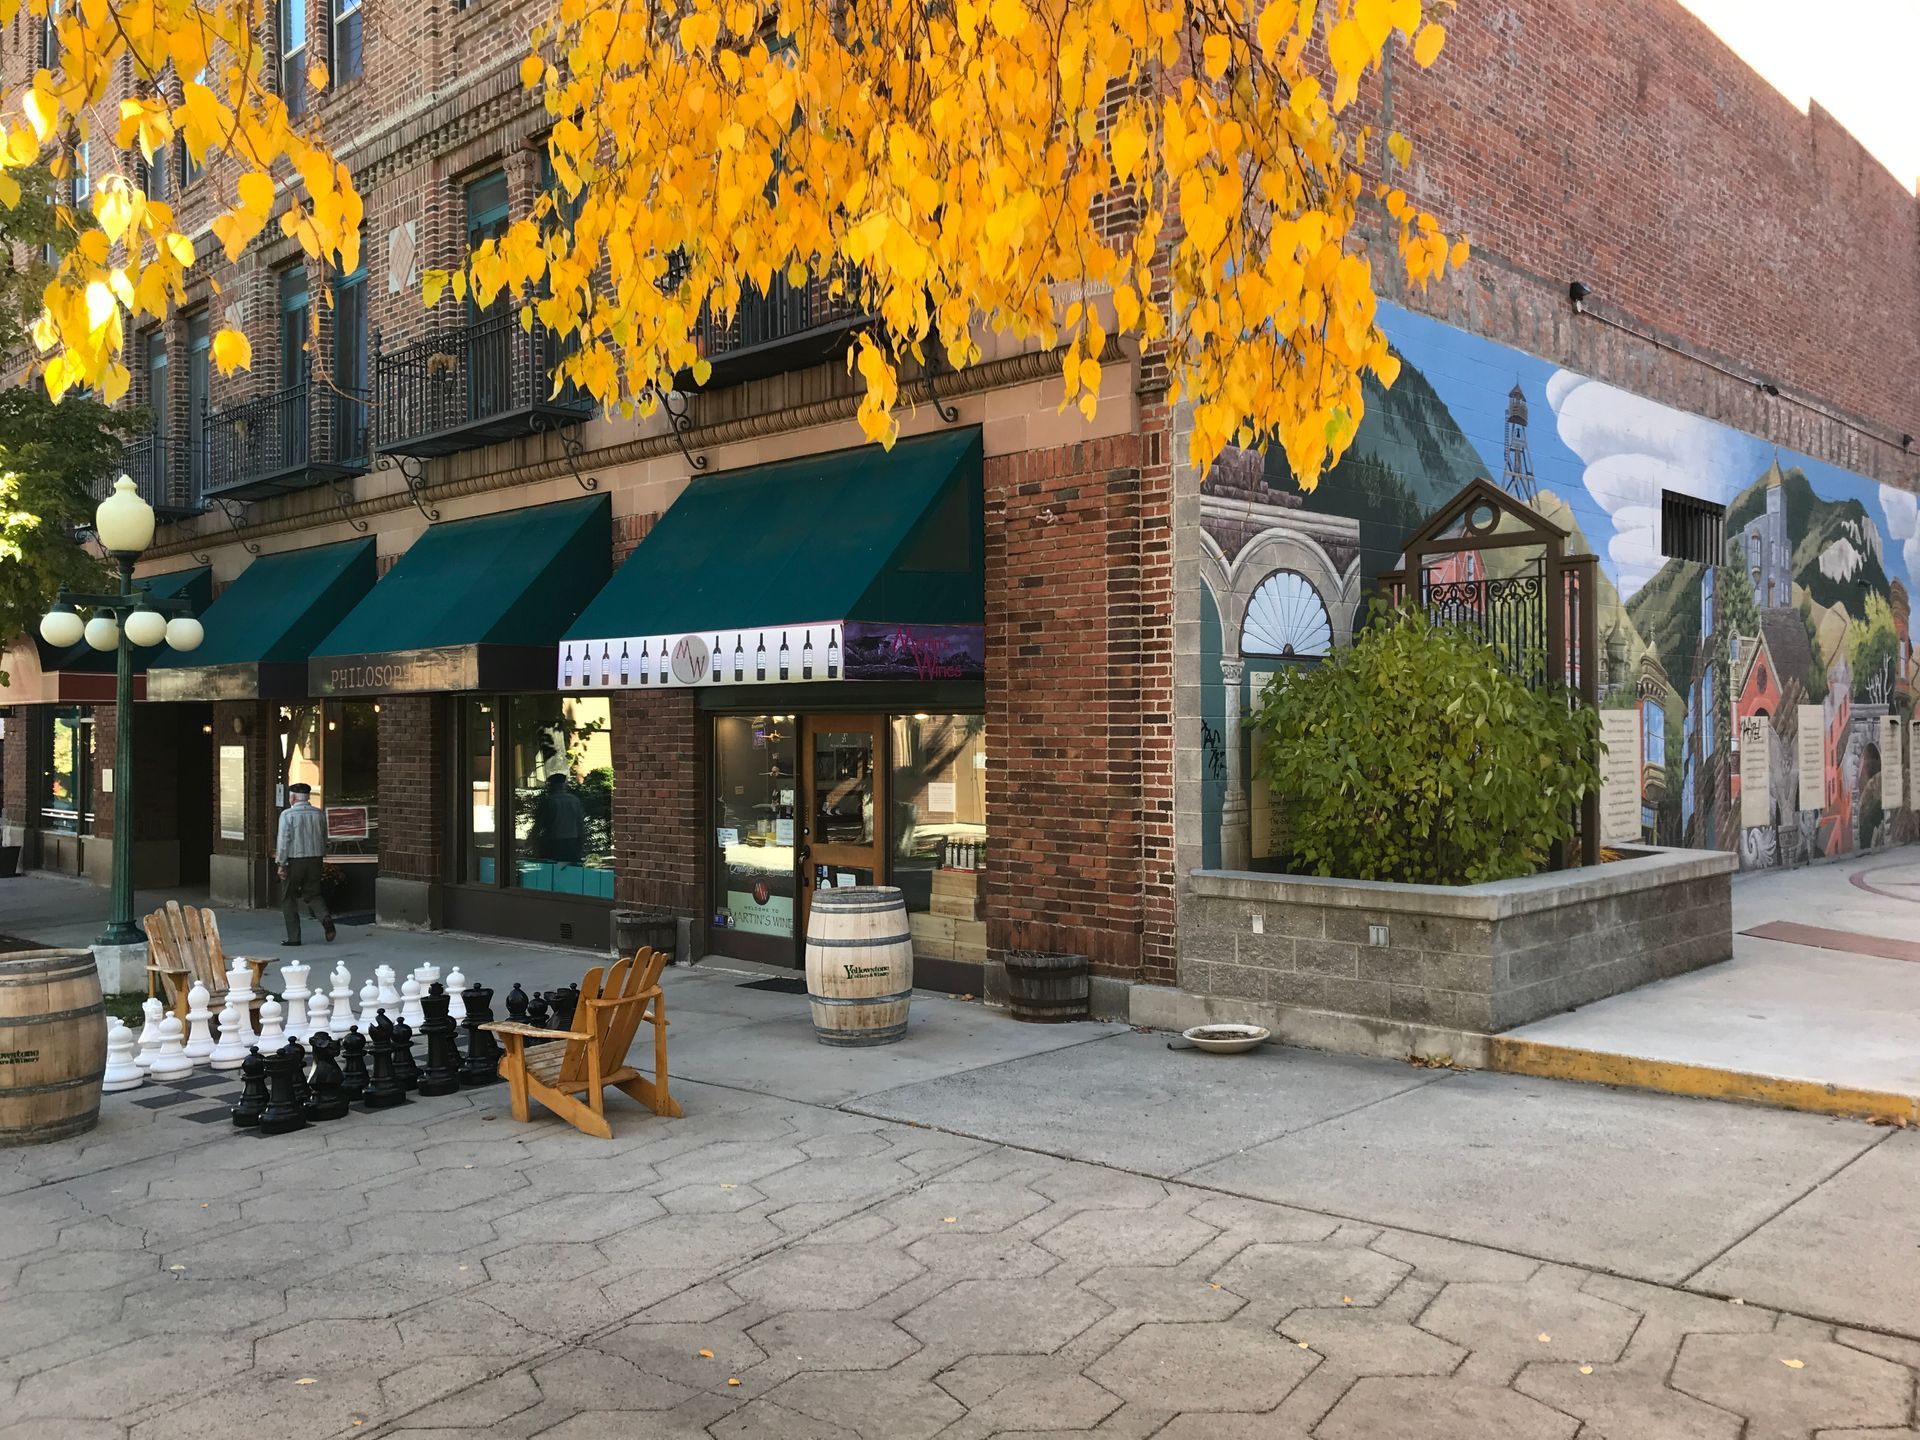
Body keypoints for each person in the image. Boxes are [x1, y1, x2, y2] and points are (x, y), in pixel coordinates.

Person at [277, 782, 336, 945]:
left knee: (288, 897)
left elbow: (283, 842)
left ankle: (294, 937)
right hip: (315, 859)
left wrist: (281, 864)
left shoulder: (287, 815)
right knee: (313, 894)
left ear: (293, 797)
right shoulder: (319, 814)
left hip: (294, 860)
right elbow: (324, 837)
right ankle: (326, 920)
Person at [531, 772, 586, 863]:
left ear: (552, 785)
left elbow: (539, 824)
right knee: (571, 869)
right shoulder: (574, 800)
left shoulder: (548, 801)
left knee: (554, 869)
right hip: (572, 840)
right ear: (564, 784)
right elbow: (580, 823)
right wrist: (581, 842)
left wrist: (533, 842)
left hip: (553, 841)